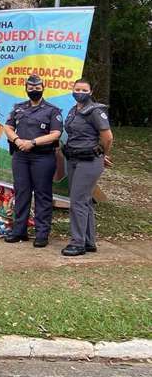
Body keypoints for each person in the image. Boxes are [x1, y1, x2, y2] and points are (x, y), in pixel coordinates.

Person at [2, 74, 63, 248]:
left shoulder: (53, 110)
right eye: (30, 87)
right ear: (26, 88)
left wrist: (33, 142)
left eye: (37, 88)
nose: (34, 90)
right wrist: (17, 140)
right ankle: (19, 231)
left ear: (43, 88)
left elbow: (55, 134)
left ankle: (42, 234)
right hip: (21, 156)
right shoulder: (18, 108)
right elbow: (7, 126)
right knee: (22, 192)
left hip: (42, 157)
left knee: (43, 195)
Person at [60, 79, 113, 257]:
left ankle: (77, 243)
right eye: (77, 89)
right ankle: (89, 241)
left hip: (89, 161)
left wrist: (103, 154)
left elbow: (108, 137)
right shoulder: (74, 110)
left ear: (90, 92)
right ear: (72, 90)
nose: (80, 92)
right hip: (73, 159)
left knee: (77, 201)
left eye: (84, 89)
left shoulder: (95, 111)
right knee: (85, 201)